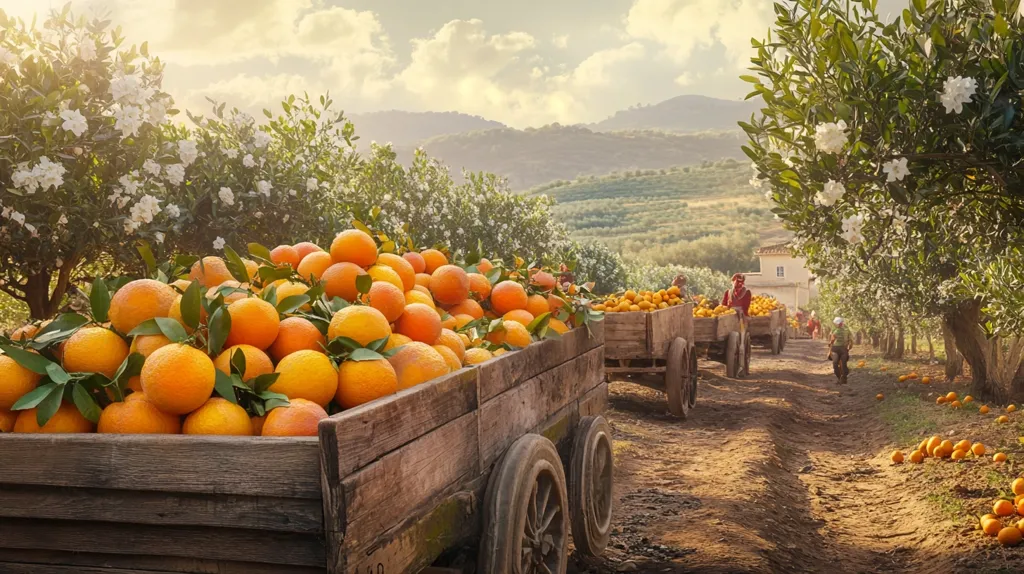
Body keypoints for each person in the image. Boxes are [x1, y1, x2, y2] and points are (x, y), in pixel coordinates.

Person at [829, 317, 853, 384]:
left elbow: (832, 340)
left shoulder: (835, 331)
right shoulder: (847, 330)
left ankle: (839, 377)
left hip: (835, 349)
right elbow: (851, 340)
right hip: (843, 349)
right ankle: (844, 377)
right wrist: (849, 348)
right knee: (844, 363)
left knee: (835, 363)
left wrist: (830, 343)